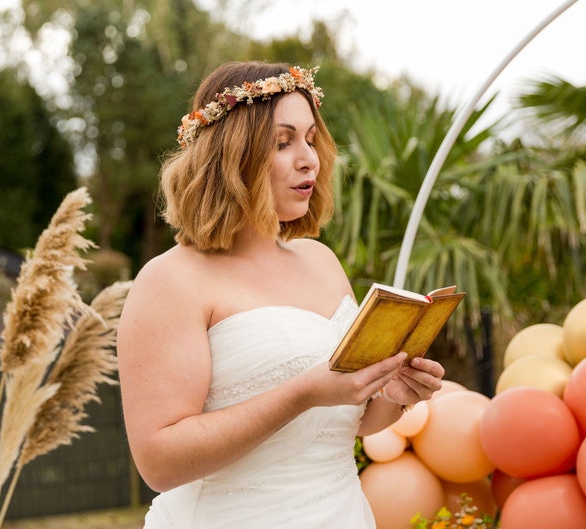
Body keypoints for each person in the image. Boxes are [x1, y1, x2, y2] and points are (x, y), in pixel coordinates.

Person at [116, 61, 446, 529]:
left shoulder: (320, 261)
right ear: (231, 156)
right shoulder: (170, 281)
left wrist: (391, 394)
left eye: (311, 138)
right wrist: (303, 394)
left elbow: (347, 425)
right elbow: (160, 464)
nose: (309, 158)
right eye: (283, 142)